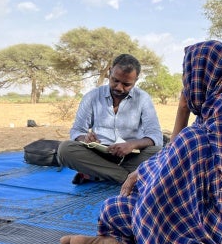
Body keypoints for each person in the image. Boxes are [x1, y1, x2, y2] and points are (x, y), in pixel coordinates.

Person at [60, 40, 222, 244]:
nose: (186, 82)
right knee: (112, 204)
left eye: (188, 74)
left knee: (182, 149)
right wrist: (182, 110)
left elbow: (183, 152)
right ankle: (121, 241)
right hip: (103, 154)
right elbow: (177, 153)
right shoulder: (211, 107)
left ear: (203, 73)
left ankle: (130, 239)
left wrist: (146, 166)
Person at [57, 53, 163, 184]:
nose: (119, 87)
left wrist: (132, 144)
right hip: (98, 155)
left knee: (159, 153)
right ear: (109, 72)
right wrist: (84, 138)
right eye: (115, 80)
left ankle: (100, 174)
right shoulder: (92, 97)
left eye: (126, 84)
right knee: (65, 149)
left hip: (131, 155)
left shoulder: (143, 98)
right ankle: (128, 178)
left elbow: (155, 135)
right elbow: (77, 130)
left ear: (136, 80)